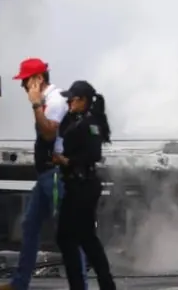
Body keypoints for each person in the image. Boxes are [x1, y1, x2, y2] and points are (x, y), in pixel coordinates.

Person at [0, 58, 86, 290]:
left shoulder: (55, 101)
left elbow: (49, 134)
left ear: (39, 79)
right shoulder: (50, 100)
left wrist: (35, 105)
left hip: (57, 175)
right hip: (47, 175)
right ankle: (19, 284)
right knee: (30, 225)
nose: (23, 86)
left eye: (26, 81)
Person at [53, 80, 116, 290]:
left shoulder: (91, 124)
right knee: (77, 237)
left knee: (76, 237)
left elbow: (93, 153)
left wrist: (68, 161)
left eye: (72, 99)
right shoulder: (76, 120)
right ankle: (98, 284)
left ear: (83, 100)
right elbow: (61, 133)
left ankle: (99, 284)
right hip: (75, 184)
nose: (69, 103)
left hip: (83, 184)